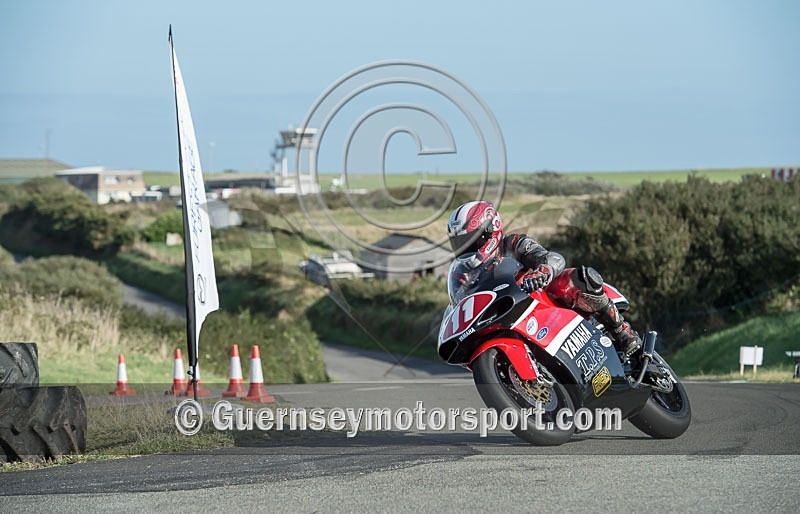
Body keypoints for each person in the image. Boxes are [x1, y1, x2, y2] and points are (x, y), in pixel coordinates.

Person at [446, 200, 642, 357]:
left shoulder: (513, 244)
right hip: (508, 315)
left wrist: (543, 271)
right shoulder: (463, 273)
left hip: (541, 301)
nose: (466, 248)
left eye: (470, 240)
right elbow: (461, 300)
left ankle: (622, 330)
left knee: (577, 278)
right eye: (460, 243)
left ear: (490, 230)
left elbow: (552, 258)